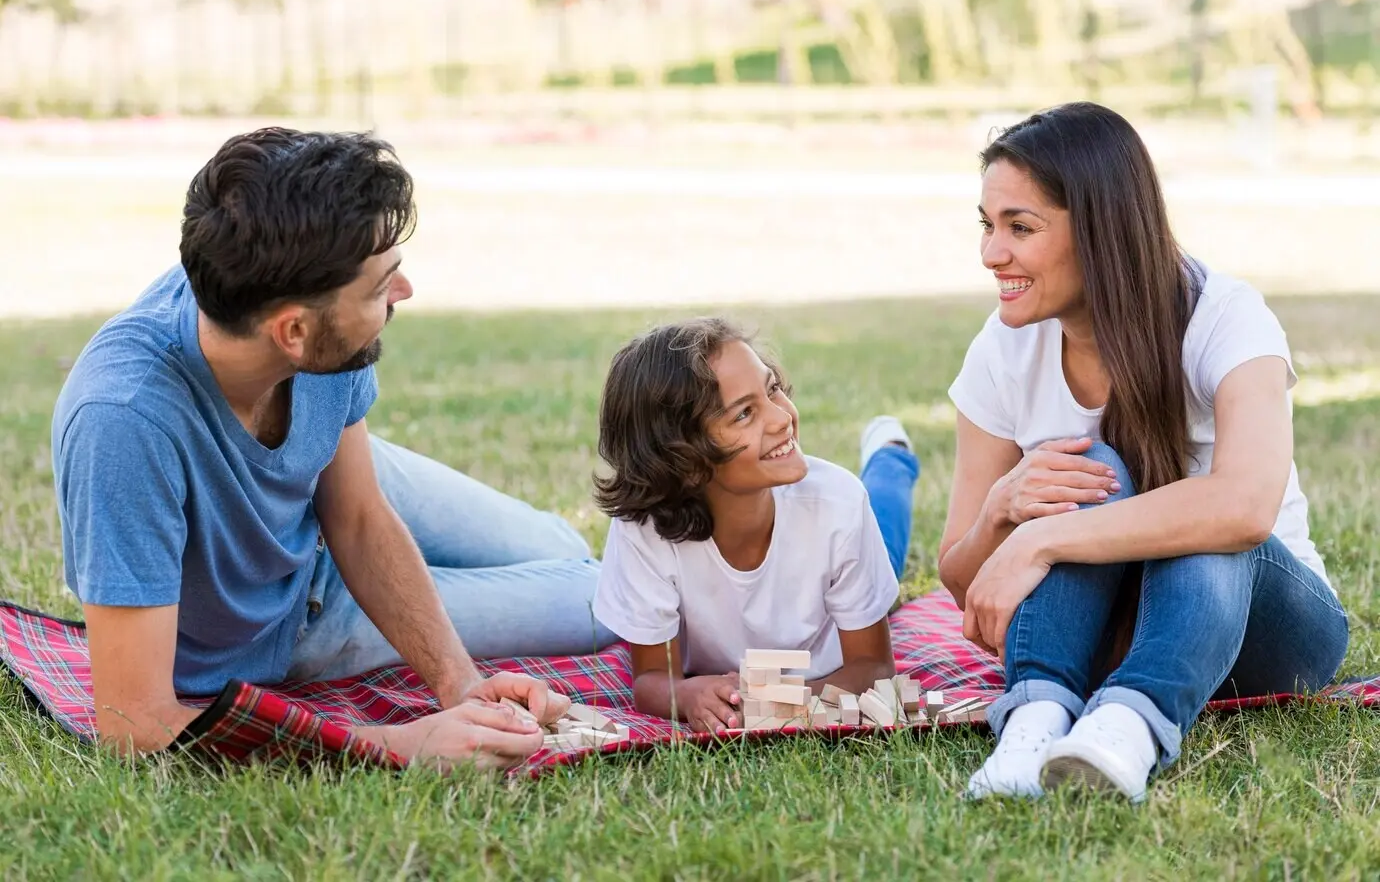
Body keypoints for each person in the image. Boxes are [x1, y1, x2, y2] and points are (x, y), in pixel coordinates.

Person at [52, 127, 618, 771]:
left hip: (323, 485)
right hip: (292, 620)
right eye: (380, 288)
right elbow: (135, 723)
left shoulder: (305, 315)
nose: (403, 295)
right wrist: (401, 746)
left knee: (563, 550)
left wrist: (459, 685)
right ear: (292, 331)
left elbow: (356, 514)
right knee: (600, 601)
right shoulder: (123, 422)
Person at [938, 101, 1349, 802]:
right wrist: (1002, 515)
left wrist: (1044, 542)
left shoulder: (1225, 315)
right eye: (987, 225)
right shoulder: (1001, 348)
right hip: (1108, 633)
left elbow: (1246, 508)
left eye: (1020, 228)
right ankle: (1034, 724)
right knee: (1092, 471)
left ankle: (1126, 727)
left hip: (1268, 629)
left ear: (1099, 228)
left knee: (1206, 517)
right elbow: (964, 579)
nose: (990, 253)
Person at [589, 318, 921, 732]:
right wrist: (689, 695)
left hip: (832, 590)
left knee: (885, 536)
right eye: (745, 413)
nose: (781, 418)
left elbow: (873, 669)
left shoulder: (837, 504)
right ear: (684, 461)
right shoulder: (643, 531)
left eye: (772, 389)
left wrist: (773, 703)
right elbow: (652, 680)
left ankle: (889, 454)